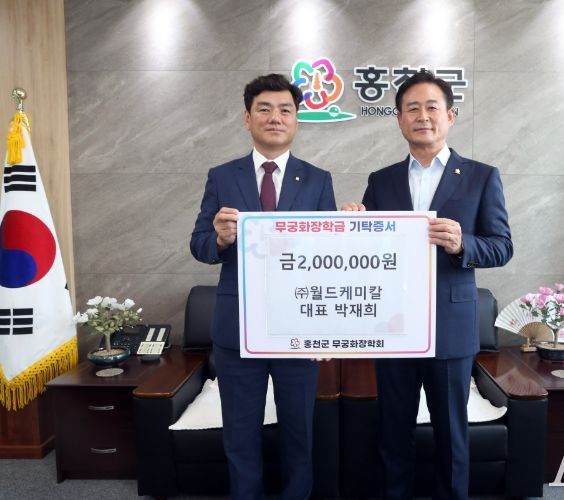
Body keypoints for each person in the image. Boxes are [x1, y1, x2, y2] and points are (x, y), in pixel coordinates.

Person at [343, 70, 513, 499]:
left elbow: (502, 246)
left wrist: (462, 243)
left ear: (450, 116)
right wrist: (354, 226)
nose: (422, 116)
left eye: (432, 107)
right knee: (393, 431)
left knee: (451, 435)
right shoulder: (381, 180)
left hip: (450, 328)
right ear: (399, 119)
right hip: (393, 326)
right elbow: (370, 252)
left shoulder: (481, 176)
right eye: (412, 108)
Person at [190, 73, 336, 500]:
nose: (275, 117)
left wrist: (324, 327)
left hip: (298, 328)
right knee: (240, 435)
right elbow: (199, 245)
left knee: (298, 435)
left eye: (285, 110)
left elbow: (328, 256)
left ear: (296, 120)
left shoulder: (317, 179)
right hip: (237, 328)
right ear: (247, 118)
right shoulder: (222, 176)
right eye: (265, 109)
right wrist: (220, 238)